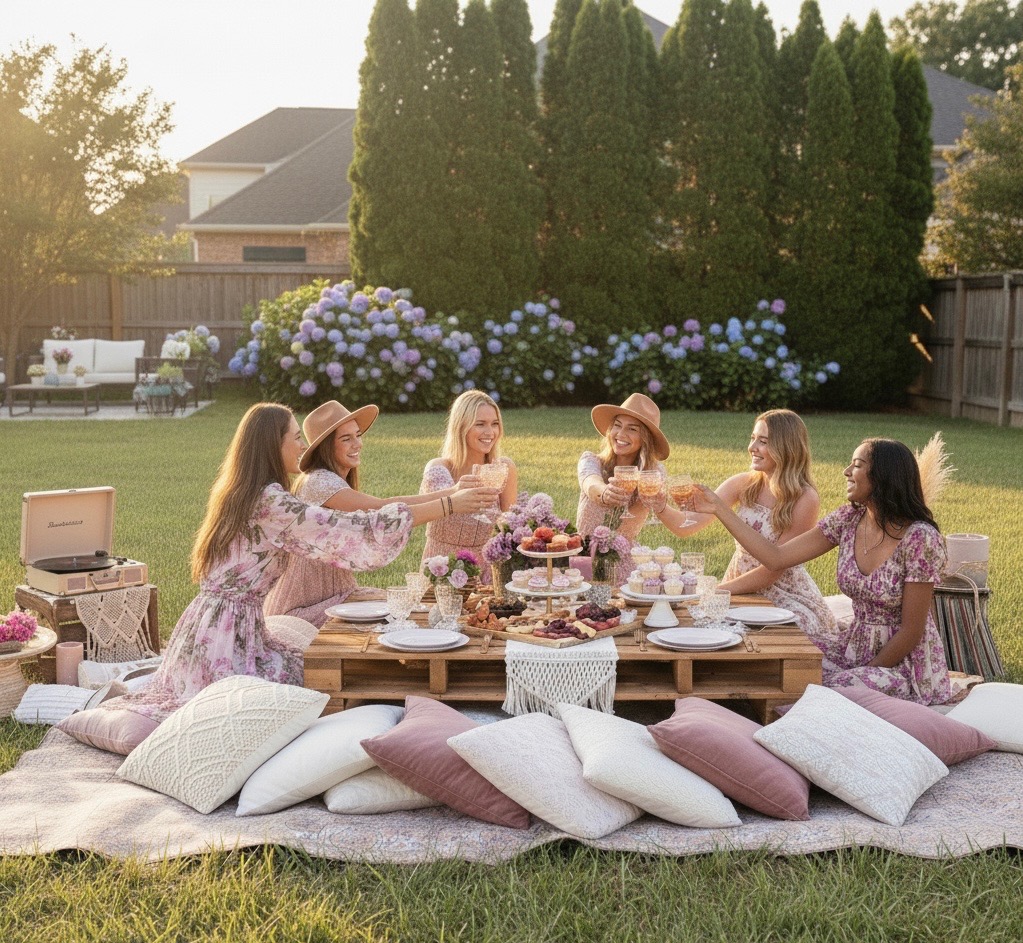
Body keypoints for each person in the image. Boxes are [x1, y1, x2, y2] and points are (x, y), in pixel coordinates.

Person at [106, 403, 415, 722]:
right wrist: (447, 504)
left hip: (209, 627)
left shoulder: (241, 491)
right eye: (296, 438)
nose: (303, 447)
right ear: (273, 444)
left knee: (313, 677)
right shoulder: (270, 501)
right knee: (302, 698)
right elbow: (350, 529)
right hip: (228, 640)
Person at [692, 437, 951, 705]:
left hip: (902, 664)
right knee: (779, 658)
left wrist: (866, 673)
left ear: (883, 475)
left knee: (819, 689)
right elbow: (776, 557)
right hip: (853, 646)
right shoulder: (849, 519)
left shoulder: (920, 538)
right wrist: (719, 509)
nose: (846, 472)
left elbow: (912, 630)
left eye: (857, 465)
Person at [265, 400, 497, 626]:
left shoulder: (330, 480)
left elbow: (384, 505)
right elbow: (381, 509)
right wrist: (451, 502)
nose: (358, 444)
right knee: (403, 613)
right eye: (346, 438)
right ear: (326, 446)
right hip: (305, 606)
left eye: (358, 435)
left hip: (333, 593)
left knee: (406, 608)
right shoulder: (318, 482)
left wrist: (453, 492)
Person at [641, 409, 834, 637]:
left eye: (763, 441)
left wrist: (717, 591)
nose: (752, 447)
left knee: (792, 631)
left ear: (786, 447)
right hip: (738, 582)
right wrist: (660, 506)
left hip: (783, 589)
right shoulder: (744, 483)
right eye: (753, 438)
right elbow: (687, 526)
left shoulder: (804, 498)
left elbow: (774, 569)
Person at [577, 392, 669, 586]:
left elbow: (626, 525)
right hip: (582, 556)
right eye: (617, 426)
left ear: (645, 438)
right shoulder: (591, 460)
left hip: (620, 560)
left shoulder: (652, 473)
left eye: (632, 429)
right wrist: (604, 493)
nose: (620, 434)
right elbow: (590, 482)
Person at [419, 390, 518, 566]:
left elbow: (511, 527)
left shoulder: (504, 468)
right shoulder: (438, 469)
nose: (490, 432)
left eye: (494, 424)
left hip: (488, 566)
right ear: (461, 426)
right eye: (480, 424)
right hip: (443, 567)